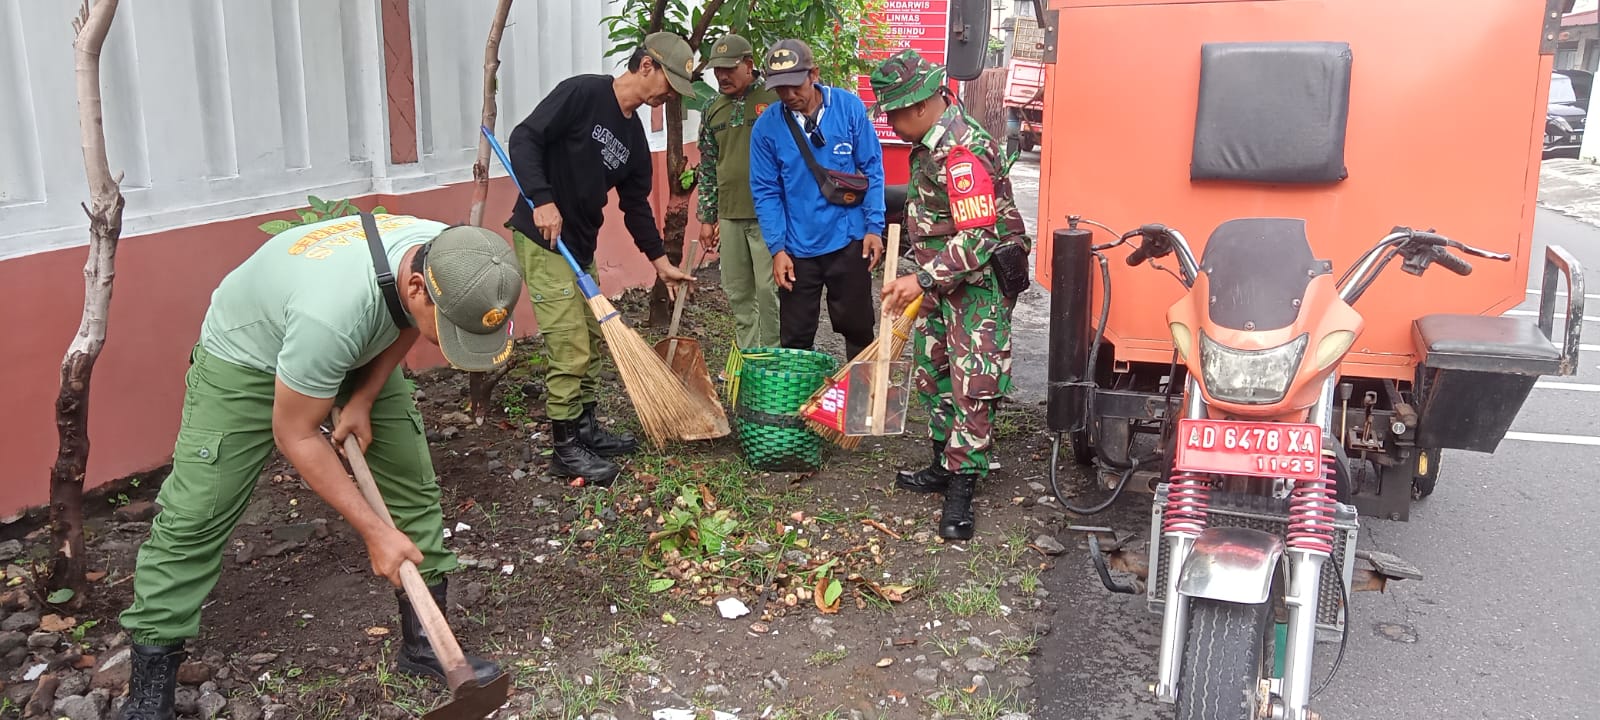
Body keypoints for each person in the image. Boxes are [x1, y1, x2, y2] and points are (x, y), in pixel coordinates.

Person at [115, 213, 523, 720]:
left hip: (351, 343)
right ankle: (149, 689)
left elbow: (405, 317)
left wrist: (364, 397)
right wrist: (375, 532)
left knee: (412, 483)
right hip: (250, 359)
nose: (447, 339)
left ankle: (426, 645)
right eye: (449, 330)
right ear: (419, 285)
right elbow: (297, 434)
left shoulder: (448, 255)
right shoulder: (331, 315)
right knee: (197, 511)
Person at [505, 31, 697, 486]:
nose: (670, 95)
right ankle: (564, 446)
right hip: (543, 238)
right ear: (646, 65)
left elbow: (635, 205)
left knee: (592, 341)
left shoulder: (632, 136)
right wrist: (541, 199)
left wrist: (658, 260)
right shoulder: (584, 93)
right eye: (669, 82)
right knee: (569, 343)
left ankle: (585, 426)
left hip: (580, 246)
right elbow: (524, 138)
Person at [872, 49, 1032, 541]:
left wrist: (918, 279)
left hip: (977, 286)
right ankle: (943, 462)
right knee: (933, 370)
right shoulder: (930, 144)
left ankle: (964, 483)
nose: (893, 122)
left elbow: (980, 237)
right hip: (944, 279)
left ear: (921, 104)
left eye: (896, 111)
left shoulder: (963, 151)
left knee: (973, 382)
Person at [749, 38, 887, 362]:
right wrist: (777, 249)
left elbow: (872, 169)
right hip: (798, 248)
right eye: (780, 89)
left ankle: (860, 401)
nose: (788, 96)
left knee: (858, 328)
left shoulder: (849, 109)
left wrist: (873, 227)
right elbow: (766, 191)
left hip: (848, 239)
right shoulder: (766, 128)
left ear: (814, 74)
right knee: (795, 337)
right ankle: (799, 407)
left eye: (794, 86)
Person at [696, 33, 782, 351]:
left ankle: (771, 356)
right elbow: (708, 165)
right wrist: (707, 217)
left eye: (729, 69)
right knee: (737, 291)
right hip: (729, 215)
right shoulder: (712, 109)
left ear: (749, 65)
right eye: (717, 70)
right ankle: (748, 355)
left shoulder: (774, 101)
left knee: (768, 290)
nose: (722, 76)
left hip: (767, 216)